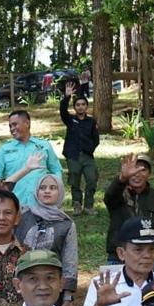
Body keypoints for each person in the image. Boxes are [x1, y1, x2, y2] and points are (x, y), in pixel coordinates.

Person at [14, 174, 80, 306]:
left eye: (52, 188)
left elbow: (70, 262)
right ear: (36, 191)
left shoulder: (66, 224)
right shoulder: (23, 215)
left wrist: (68, 298)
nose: (47, 191)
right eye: (42, 188)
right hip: (20, 286)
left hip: (49, 287)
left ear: (60, 192)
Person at [0, 110, 63, 206]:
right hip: (15, 205)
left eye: (15, 124)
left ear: (27, 123)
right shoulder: (5, 149)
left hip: (41, 204)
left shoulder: (44, 146)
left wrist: (56, 192)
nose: (12, 129)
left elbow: (56, 169)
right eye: (10, 126)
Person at [104, 155, 154, 262]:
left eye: (143, 170)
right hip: (118, 257)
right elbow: (109, 196)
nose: (137, 173)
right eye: (134, 169)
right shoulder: (118, 194)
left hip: (148, 257)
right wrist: (122, 178)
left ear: (149, 174)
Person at [59, 82, 100, 215]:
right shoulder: (70, 120)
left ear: (86, 107)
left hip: (87, 156)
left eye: (83, 104)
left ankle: (88, 205)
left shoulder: (91, 122)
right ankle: (77, 204)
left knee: (92, 179)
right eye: (78, 105)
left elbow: (96, 139)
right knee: (74, 180)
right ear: (75, 107)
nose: (80, 107)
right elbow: (62, 111)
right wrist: (67, 97)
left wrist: (90, 149)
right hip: (73, 155)